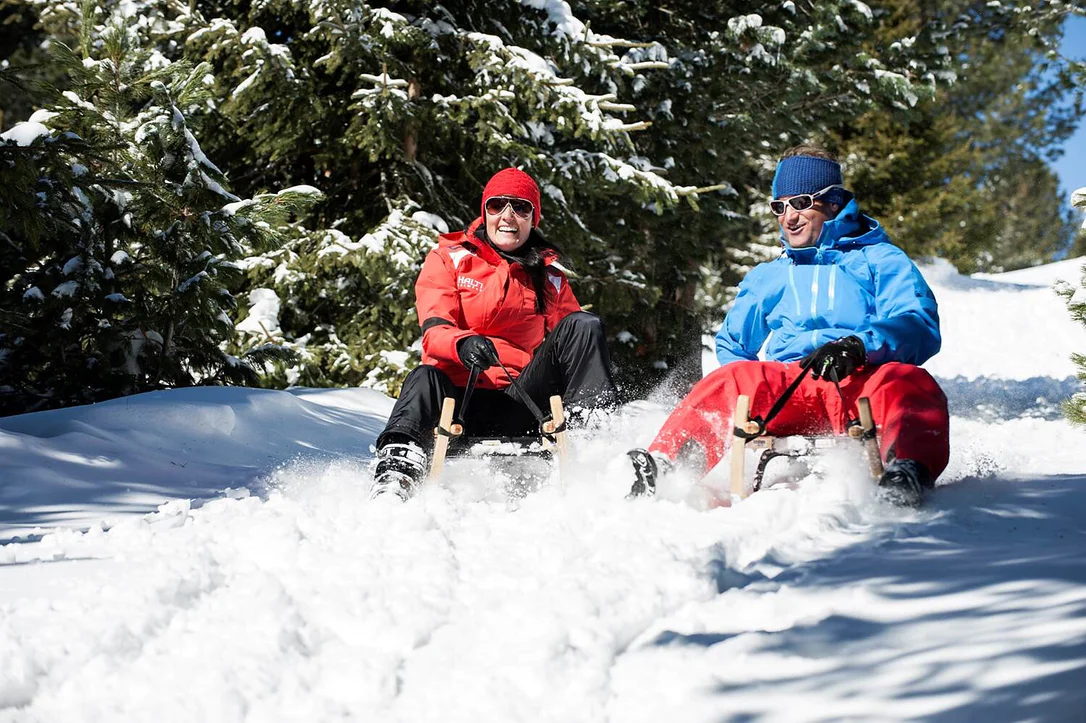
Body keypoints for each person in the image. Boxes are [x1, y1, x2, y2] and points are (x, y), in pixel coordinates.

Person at [626, 146, 949, 506]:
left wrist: (859, 346)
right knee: (732, 379)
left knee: (908, 382)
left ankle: (906, 471)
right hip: (791, 389)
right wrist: (754, 399)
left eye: (800, 202)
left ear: (833, 202)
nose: (788, 217)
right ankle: (667, 467)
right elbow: (734, 345)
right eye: (779, 207)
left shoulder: (879, 260)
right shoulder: (769, 276)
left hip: (859, 382)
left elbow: (917, 322)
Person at [372, 167, 618, 500]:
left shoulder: (549, 279)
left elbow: (577, 343)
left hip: (519, 400)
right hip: (456, 399)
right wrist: (464, 343)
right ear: (484, 211)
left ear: (534, 218)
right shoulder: (450, 259)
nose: (507, 216)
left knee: (584, 324)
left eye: (520, 207)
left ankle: (594, 441)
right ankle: (396, 475)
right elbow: (434, 330)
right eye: (497, 205)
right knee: (423, 377)